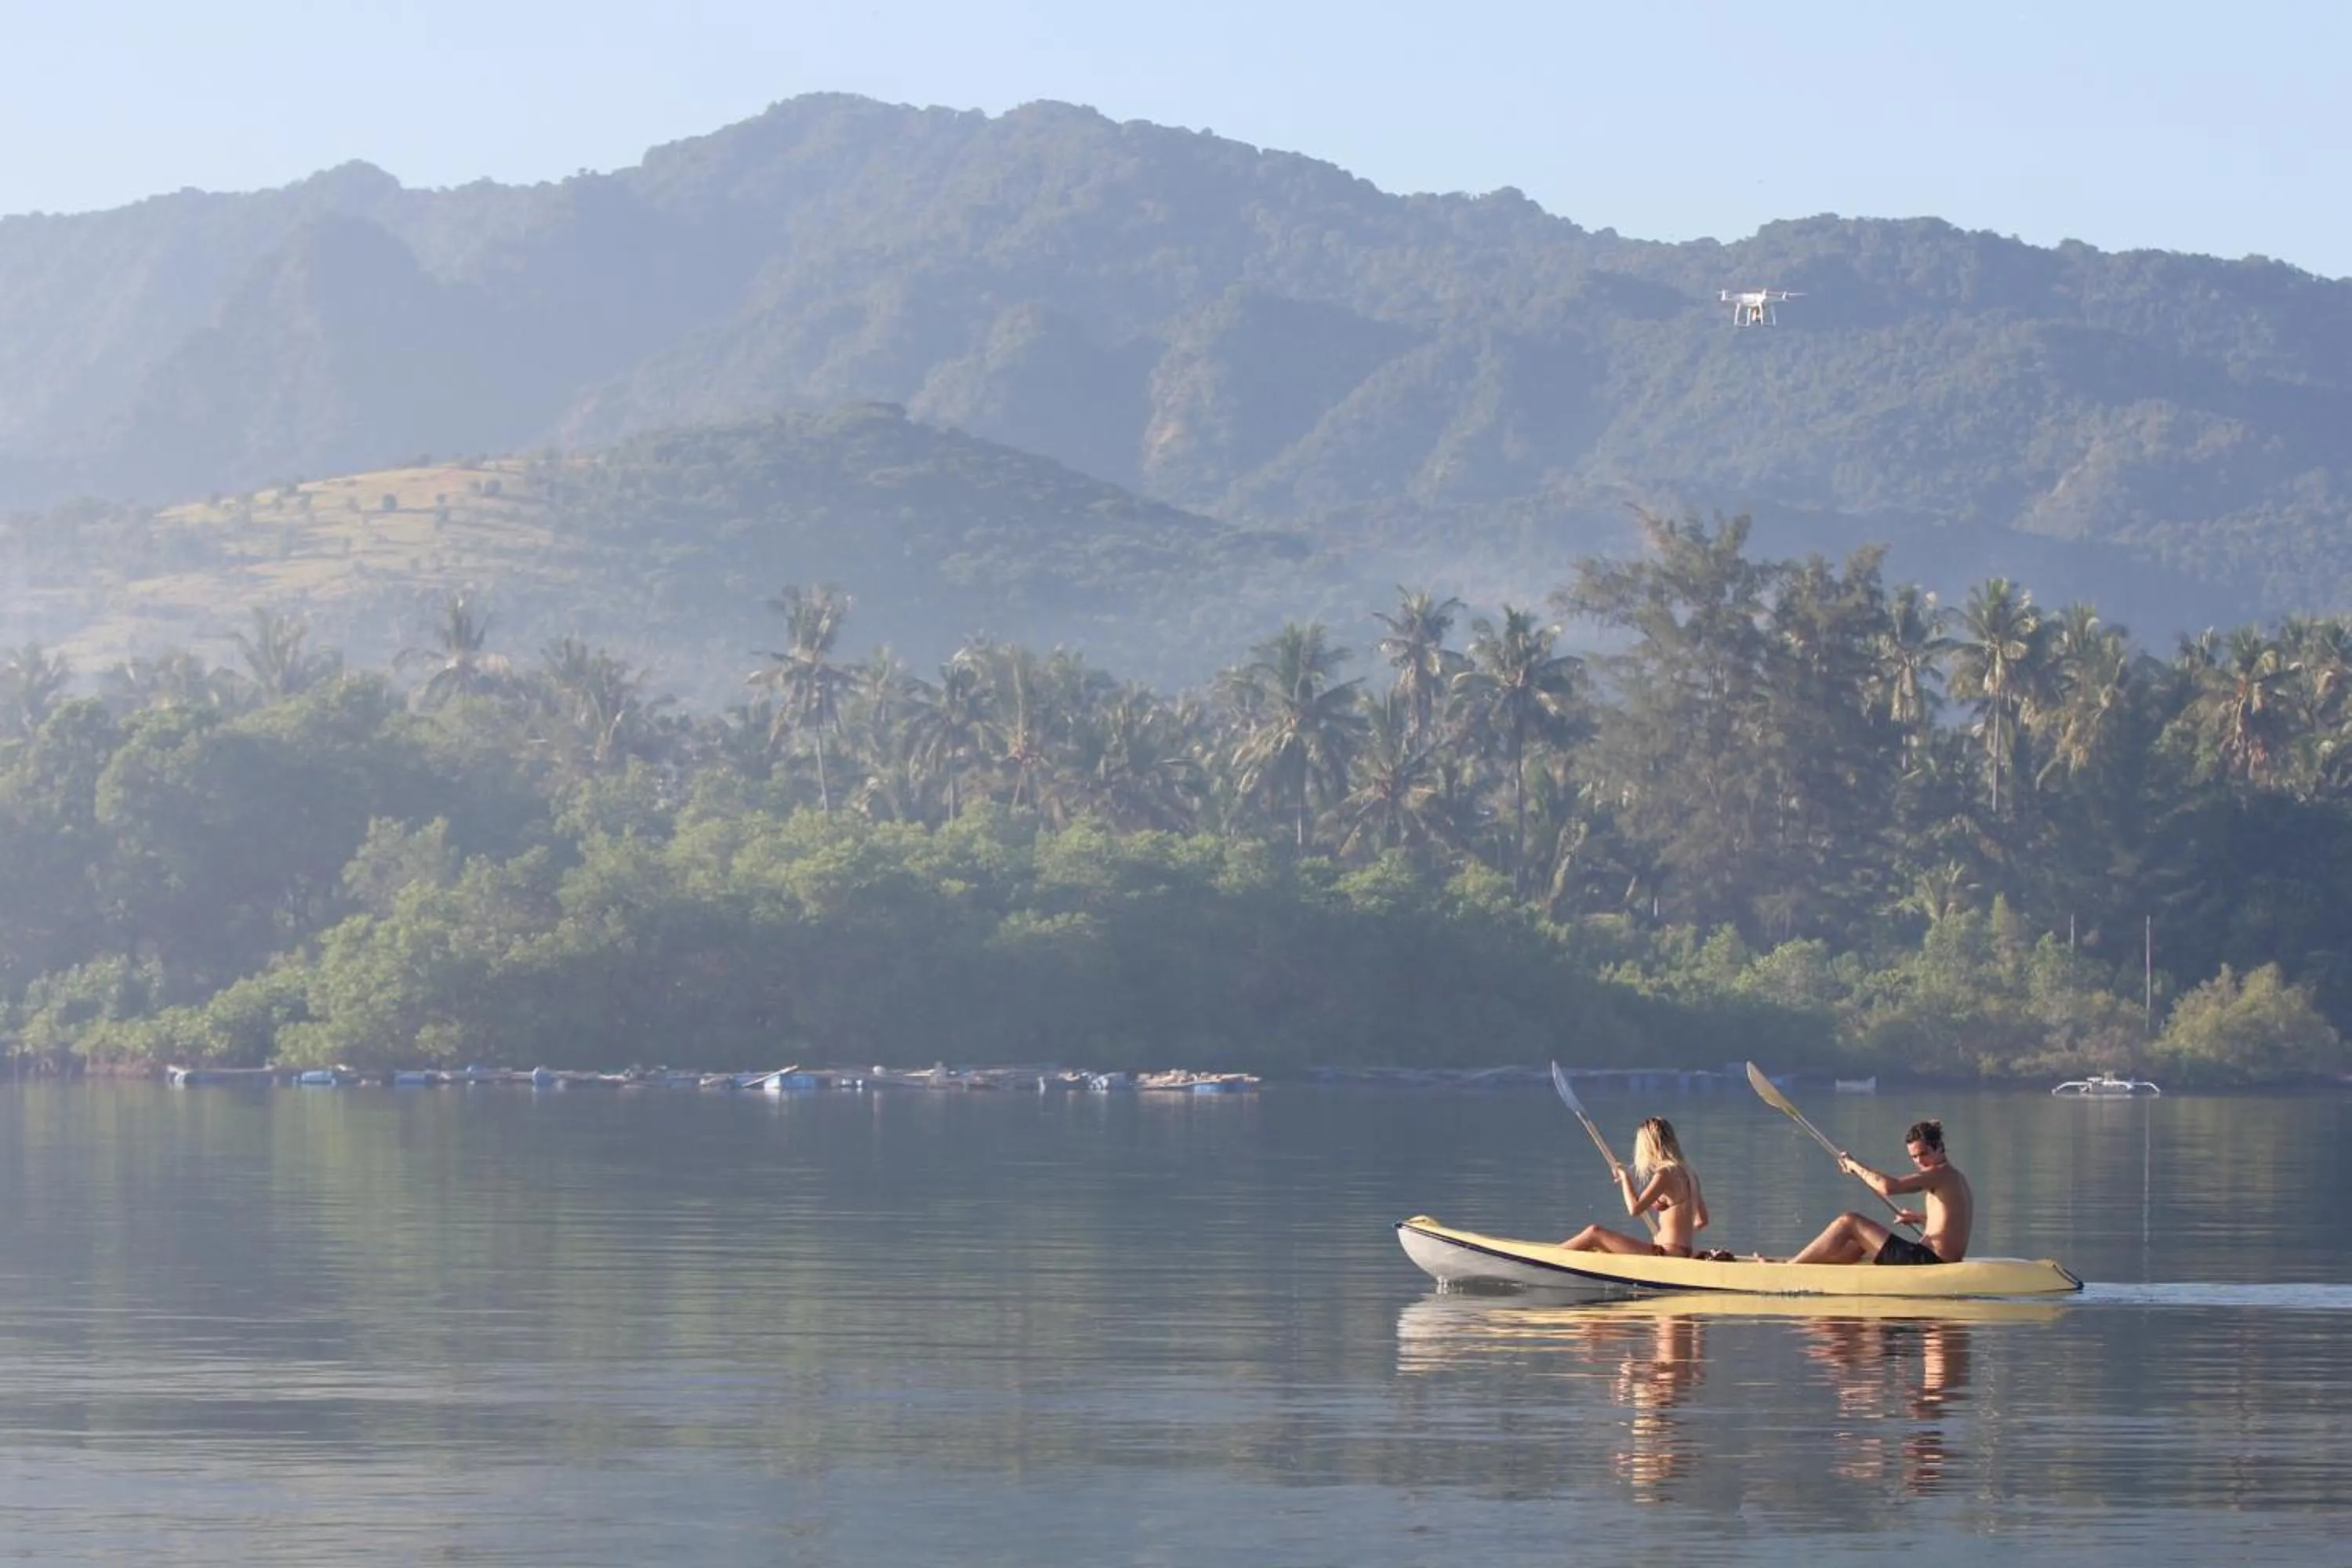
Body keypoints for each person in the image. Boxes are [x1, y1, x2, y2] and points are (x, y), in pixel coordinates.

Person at [1783, 1119, 1972, 1265]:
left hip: (1928, 1261)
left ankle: (1790, 1268)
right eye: (1914, 1156)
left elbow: (1889, 1187)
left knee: (1849, 1222)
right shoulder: (1956, 1178)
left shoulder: (1939, 1174)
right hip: (1931, 1258)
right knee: (1860, 1241)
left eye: (1924, 1154)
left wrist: (1855, 1166)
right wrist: (1918, 1218)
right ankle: (1814, 1266)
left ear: (1938, 1147)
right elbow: (1951, 1223)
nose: (1919, 1162)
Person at [1563, 1117, 1715, 1258]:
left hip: (1666, 1253)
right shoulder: (1690, 1173)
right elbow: (1701, 1220)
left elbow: (1634, 1209)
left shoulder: (1665, 1173)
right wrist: (1671, 1233)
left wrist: (1625, 1178)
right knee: (1600, 1243)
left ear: (1649, 1145)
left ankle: (1547, 1260)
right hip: (1682, 1252)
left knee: (1593, 1233)